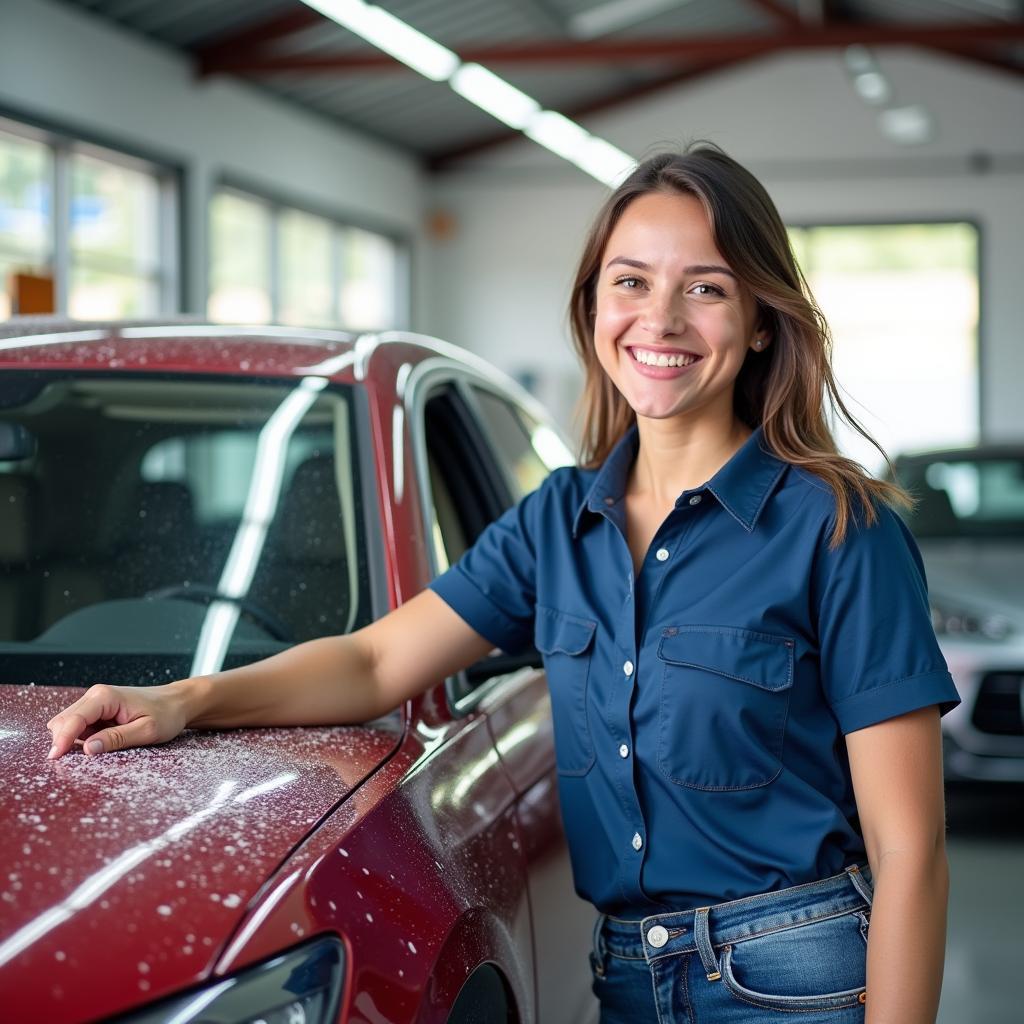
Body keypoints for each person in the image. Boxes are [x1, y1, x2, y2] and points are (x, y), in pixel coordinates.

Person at [46, 145, 960, 1023]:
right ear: (594, 307)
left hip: (795, 977)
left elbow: (910, 850)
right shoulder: (557, 521)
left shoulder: (841, 527)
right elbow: (373, 663)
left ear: (761, 321)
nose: (663, 319)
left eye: (707, 288)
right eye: (631, 281)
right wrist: (181, 701)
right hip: (631, 976)